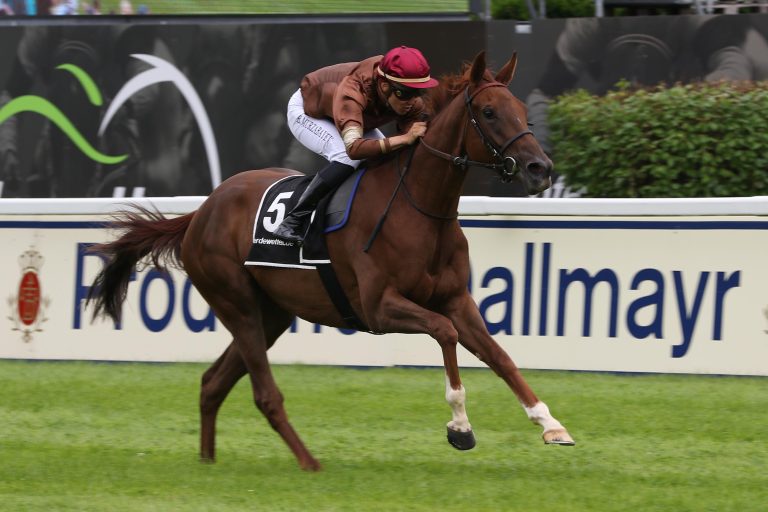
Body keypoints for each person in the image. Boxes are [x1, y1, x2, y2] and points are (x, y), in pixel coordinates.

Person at [272, 45, 439, 244]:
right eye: (406, 93)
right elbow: (354, 149)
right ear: (384, 86)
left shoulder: (406, 99)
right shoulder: (353, 91)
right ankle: (292, 221)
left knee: (387, 155)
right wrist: (404, 138)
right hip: (311, 111)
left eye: (418, 92)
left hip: (354, 115)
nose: (413, 101)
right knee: (345, 156)